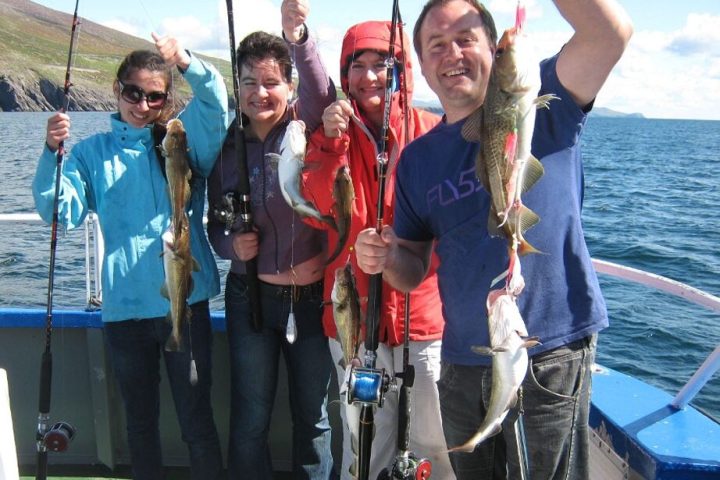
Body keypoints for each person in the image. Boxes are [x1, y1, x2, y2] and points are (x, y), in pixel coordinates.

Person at [354, 0, 633, 479]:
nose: (452, 54)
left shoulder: (545, 101)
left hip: (546, 351)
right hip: (461, 360)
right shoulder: (419, 160)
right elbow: (413, 268)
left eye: (466, 38)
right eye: (436, 45)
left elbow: (610, 33)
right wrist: (383, 257)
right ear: (422, 64)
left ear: (492, 45)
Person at [33, 34, 229, 480]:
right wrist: (50, 154)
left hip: (184, 302)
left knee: (197, 422)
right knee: (140, 426)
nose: (142, 105)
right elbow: (59, 210)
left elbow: (216, 103)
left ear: (166, 101)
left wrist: (183, 60)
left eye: (155, 96)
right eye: (133, 92)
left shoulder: (179, 143)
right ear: (117, 89)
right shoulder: (89, 154)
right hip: (124, 314)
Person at [301, 21, 454, 480]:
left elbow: (456, 217)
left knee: (437, 446)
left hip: (424, 319)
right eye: (357, 67)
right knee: (365, 446)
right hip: (354, 321)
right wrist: (330, 143)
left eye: (381, 66)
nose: (369, 77)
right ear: (345, 77)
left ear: (401, 71)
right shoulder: (330, 138)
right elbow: (316, 211)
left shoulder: (434, 130)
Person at [206, 1, 337, 478]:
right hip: (250, 299)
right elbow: (213, 225)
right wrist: (228, 246)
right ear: (236, 87)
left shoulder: (310, 127)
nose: (259, 93)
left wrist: (298, 35)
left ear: (289, 86)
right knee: (250, 419)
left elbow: (323, 91)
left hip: (312, 301)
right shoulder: (223, 151)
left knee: (314, 420)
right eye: (248, 82)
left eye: (271, 82)